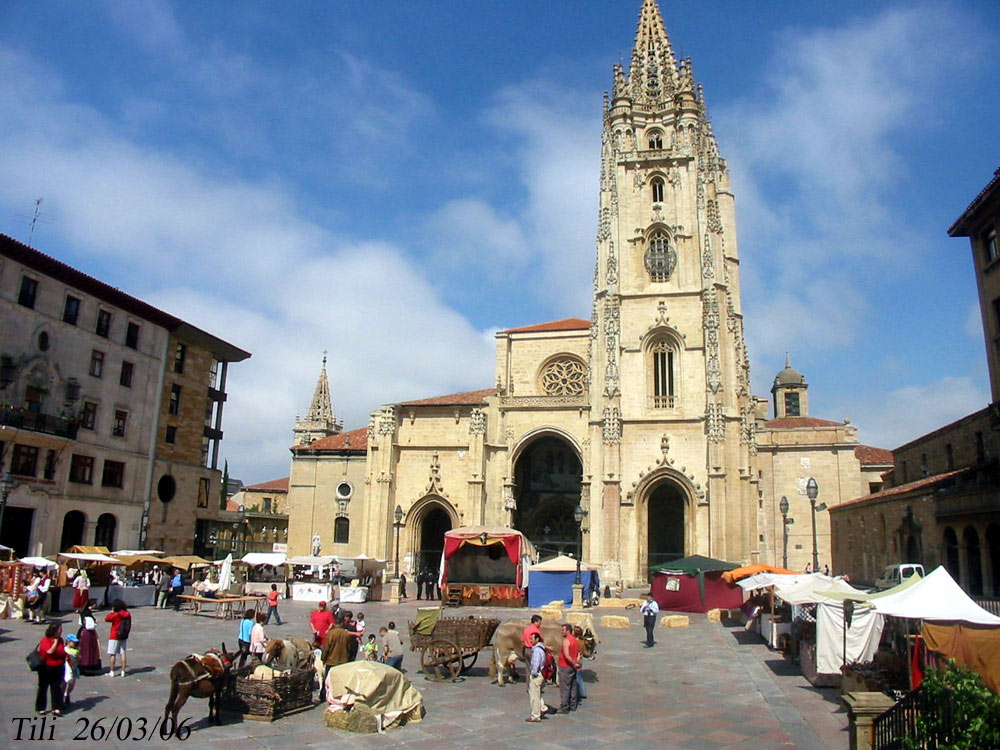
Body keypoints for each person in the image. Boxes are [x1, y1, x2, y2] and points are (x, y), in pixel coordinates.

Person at [319, 616, 353, 701]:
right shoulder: (346, 634)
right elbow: (349, 648)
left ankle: (323, 696)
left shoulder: (331, 634)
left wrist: (323, 659)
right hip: (343, 661)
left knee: (327, 679)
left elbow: (326, 648)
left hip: (331, 661)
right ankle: (340, 695)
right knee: (341, 680)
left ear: (335, 624)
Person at [36, 622, 66, 715]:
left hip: (58, 667)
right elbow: (49, 652)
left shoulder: (61, 640)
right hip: (46, 668)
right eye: (59, 630)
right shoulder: (45, 640)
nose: (61, 632)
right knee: (43, 687)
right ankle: (41, 707)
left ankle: (56, 707)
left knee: (56, 687)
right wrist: (55, 643)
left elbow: (62, 651)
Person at [557, 623, 581, 713]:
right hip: (572, 668)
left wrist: (573, 663)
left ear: (568, 631)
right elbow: (579, 653)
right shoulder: (575, 640)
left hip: (565, 666)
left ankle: (564, 706)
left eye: (563, 630)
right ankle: (573, 705)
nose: (561, 632)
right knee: (573, 686)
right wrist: (576, 662)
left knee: (565, 687)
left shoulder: (566, 641)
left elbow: (567, 656)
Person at [104, 599, 131, 677]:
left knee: (113, 654)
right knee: (123, 653)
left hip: (114, 635)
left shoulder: (116, 614)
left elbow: (107, 618)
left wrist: (112, 612)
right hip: (123, 635)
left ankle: (112, 671)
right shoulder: (127, 613)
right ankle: (123, 671)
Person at [526, 631, 547, 722]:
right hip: (540, 674)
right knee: (537, 693)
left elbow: (536, 663)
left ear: (537, 639)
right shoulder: (541, 648)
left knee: (534, 696)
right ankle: (542, 707)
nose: (530, 640)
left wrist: (533, 673)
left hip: (536, 675)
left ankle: (535, 715)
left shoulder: (537, 651)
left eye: (532, 638)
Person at [76, 602, 102, 675]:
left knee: (83, 649)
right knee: (89, 649)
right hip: (88, 633)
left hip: (82, 631)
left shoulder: (82, 612)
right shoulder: (88, 614)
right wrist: (95, 622)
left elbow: (80, 623)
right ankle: (88, 666)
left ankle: (81, 665)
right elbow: (90, 626)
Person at [63, 633, 80, 707]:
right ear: (68, 642)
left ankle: (67, 694)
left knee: (72, 684)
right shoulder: (65, 649)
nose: (75, 643)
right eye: (73, 642)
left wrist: (78, 657)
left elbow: (79, 659)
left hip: (74, 668)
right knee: (64, 683)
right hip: (66, 669)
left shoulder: (76, 650)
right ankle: (63, 698)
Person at [573, 626, 588, 700]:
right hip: (581, 659)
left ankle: (582, 692)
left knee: (577, 676)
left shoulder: (576, 641)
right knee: (578, 675)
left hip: (577, 659)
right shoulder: (583, 640)